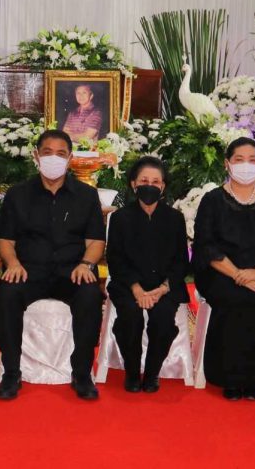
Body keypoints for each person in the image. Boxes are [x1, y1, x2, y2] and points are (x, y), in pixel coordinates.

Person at [0, 129, 106, 400]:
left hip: (72, 271)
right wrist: (12, 263)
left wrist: (86, 264)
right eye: (47, 152)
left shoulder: (86, 196)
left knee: (90, 295)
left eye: (60, 154)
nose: (53, 158)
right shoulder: (17, 194)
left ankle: (81, 373)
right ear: (36, 156)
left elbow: (95, 241)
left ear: (69, 159)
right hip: (28, 271)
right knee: (6, 294)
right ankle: (11, 372)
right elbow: (5, 239)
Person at [192, 137, 255, 400]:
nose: (246, 165)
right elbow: (206, 244)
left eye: (252, 159)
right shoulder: (212, 200)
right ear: (227, 164)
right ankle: (229, 378)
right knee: (234, 298)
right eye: (239, 159)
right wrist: (239, 275)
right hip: (222, 272)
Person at [106, 156, 190, 393]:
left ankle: (152, 373)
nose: (150, 186)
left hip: (165, 286)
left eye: (155, 182)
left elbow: (181, 260)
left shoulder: (175, 218)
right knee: (130, 316)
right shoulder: (120, 218)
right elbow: (115, 259)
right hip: (128, 285)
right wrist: (136, 289)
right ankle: (132, 372)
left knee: (163, 317)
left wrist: (163, 288)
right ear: (134, 184)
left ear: (163, 186)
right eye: (144, 181)